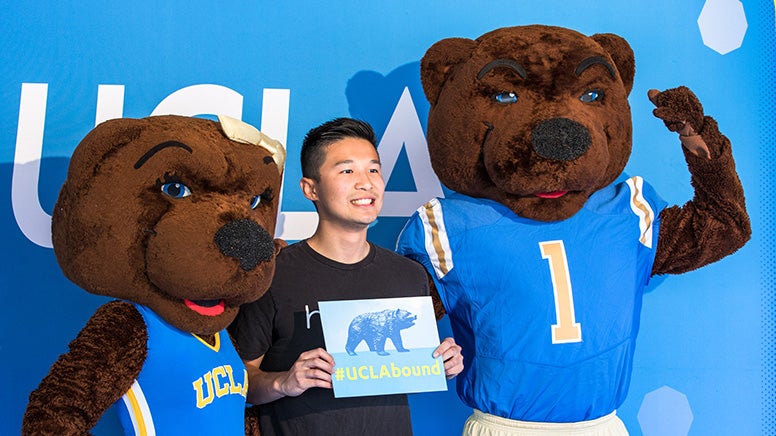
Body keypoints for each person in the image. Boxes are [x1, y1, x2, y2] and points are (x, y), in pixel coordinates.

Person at [228, 117, 464, 435]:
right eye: (347, 170)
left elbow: (403, 368)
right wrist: (284, 382)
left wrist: (441, 364)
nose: (366, 182)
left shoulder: (409, 276)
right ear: (311, 189)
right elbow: (241, 380)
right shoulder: (275, 274)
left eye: (374, 169)